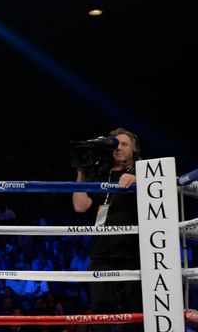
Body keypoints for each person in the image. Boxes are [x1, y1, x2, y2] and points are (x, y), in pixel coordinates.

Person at [72, 127, 142, 331]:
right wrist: (81, 171)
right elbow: (80, 206)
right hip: (103, 250)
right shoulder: (100, 173)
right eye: (114, 144)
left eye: (124, 144)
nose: (118, 148)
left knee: (138, 309)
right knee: (101, 311)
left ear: (134, 150)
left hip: (134, 250)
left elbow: (167, 184)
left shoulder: (144, 169)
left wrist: (140, 180)